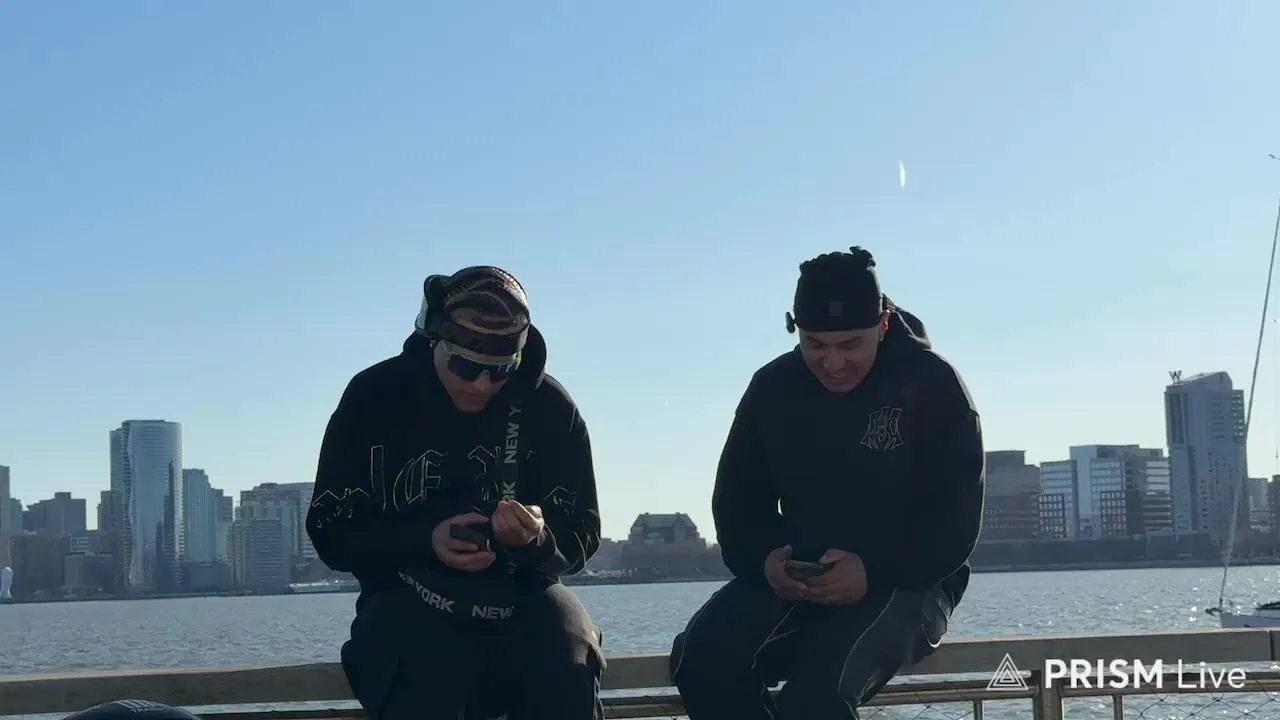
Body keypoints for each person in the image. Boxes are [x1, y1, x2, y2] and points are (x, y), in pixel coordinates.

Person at [669, 247, 985, 720]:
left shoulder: (935, 385)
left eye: (850, 345)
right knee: (702, 661)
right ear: (794, 328)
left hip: (912, 579)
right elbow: (737, 503)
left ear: (882, 325)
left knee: (818, 695)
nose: (833, 362)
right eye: (815, 345)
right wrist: (765, 559)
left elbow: (955, 523)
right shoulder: (772, 387)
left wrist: (872, 571)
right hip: (802, 570)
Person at [306, 265, 605, 720]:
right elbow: (330, 530)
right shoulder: (373, 397)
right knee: (423, 671)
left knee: (568, 652)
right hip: (405, 595)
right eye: (466, 366)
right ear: (435, 342)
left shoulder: (551, 407)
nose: (481, 384)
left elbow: (583, 530)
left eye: (500, 371)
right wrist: (424, 539)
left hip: (526, 595)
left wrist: (535, 539)